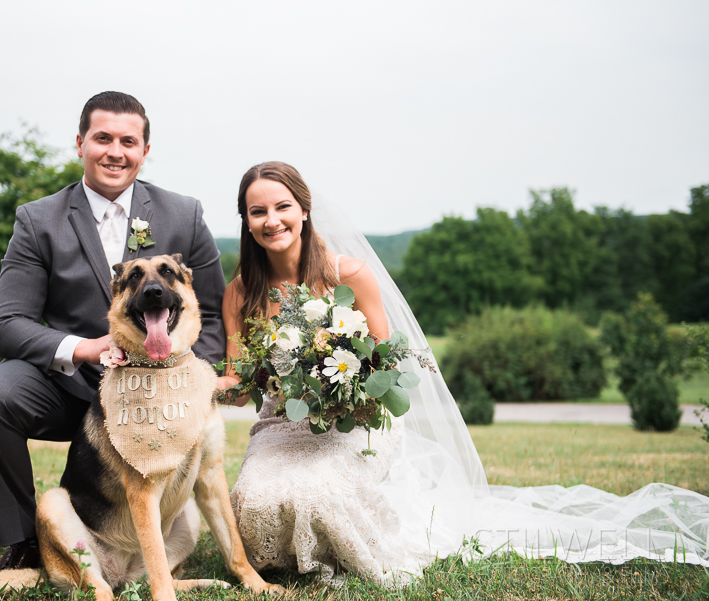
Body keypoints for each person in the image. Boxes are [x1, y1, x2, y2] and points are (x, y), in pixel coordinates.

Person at [217, 161, 709, 585]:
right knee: (251, 498)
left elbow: (385, 362)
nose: (271, 220)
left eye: (281, 206)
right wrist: (196, 381)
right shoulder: (240, 293)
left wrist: (342, 385)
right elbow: (239, 384)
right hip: (282, 423)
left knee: (317, 492)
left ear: (303, 209)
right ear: (246, 221)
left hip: (356, 416)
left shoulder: (350, 275)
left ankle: (339, 551)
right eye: (258, 211)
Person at [0, 91, 227, 571]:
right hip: (71, 384)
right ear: (80, 143)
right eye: (102, 138)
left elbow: (209, 307)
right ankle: (26, 542)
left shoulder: (183, 213)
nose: (115, 151)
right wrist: (82, 348)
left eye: (129, 141)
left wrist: (199, 383)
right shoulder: (37, 219)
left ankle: (158, 537)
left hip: (156, 390)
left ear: (145, 151)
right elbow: (5, 324)